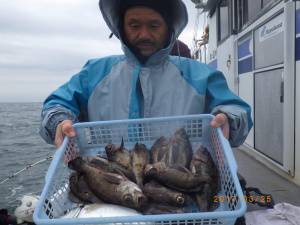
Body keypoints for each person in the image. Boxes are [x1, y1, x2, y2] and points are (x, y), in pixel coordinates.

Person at [39, 0, 253, 148]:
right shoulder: (94, 72)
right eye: (134, 25)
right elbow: (58, 104)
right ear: (121, 27)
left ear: (169, 28)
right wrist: (59, 122)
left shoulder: (201, 75)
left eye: (154, 25)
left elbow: (235, 110)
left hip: (184, 189)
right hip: (111, 181)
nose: (144, 34)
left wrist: (229, 120)